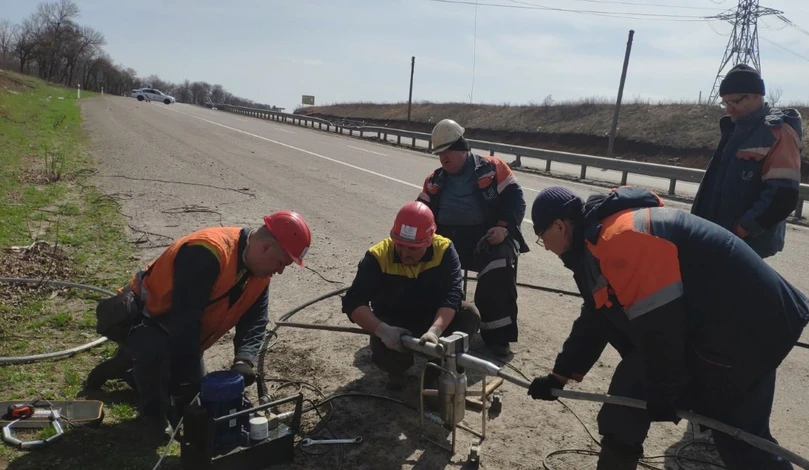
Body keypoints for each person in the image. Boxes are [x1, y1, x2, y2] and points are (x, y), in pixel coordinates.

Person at [526, 185, 809, 470]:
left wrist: (664, 390)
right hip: (720, 323)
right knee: (626, 402)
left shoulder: (619, 240)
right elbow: (597, 317)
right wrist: (559, 377)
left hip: (744, 329)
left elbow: (659, 324)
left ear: (560, 226)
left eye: (542, 238)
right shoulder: (595, 244)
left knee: (740, 438)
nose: (547, 247)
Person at [85, 211, 312, 435]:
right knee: (167, 369)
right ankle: (152, 417)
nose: (280, 271)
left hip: (181, 333)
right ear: (266, 247)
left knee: (184, 385)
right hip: (141, 320)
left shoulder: (260, 273)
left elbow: (255, 320)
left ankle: (127, 369)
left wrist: (245, 359)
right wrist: (188, 386)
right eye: (282, 262)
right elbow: (185, 321)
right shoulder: (207, 252)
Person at [416, 118, 528, 357]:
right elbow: (421, 210)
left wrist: (503, 229)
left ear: (461, 147)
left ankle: (497, 335)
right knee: (418, 260)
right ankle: (434, 322)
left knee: (500, 263)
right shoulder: (434, 180)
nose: (442, 158)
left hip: (486, 239)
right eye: (439, 154)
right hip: (446, 239)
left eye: (446, 152)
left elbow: (516, 201)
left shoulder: (492, 168)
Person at [341, 201, 480, 390]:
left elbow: (452, 294)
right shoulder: (377, 256)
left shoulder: (444, 250)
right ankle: (396, 371)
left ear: (429, 240)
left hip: (432, 315)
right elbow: (354, 302)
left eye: (413, 248)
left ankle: (438, 371)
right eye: (400, 246)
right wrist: (383, 331)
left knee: (469, 314)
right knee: (382, 346)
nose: (405, 253)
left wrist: (435, 331)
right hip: (394, 321)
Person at [691, 63, 803, 259]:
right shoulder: (735, 129)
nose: (728, 110)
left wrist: (742, 230)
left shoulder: (778, 133)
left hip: (743, 244)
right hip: (717, 237)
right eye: (725, 103)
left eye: (734, 102)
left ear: (756, 96)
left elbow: (783, 195)